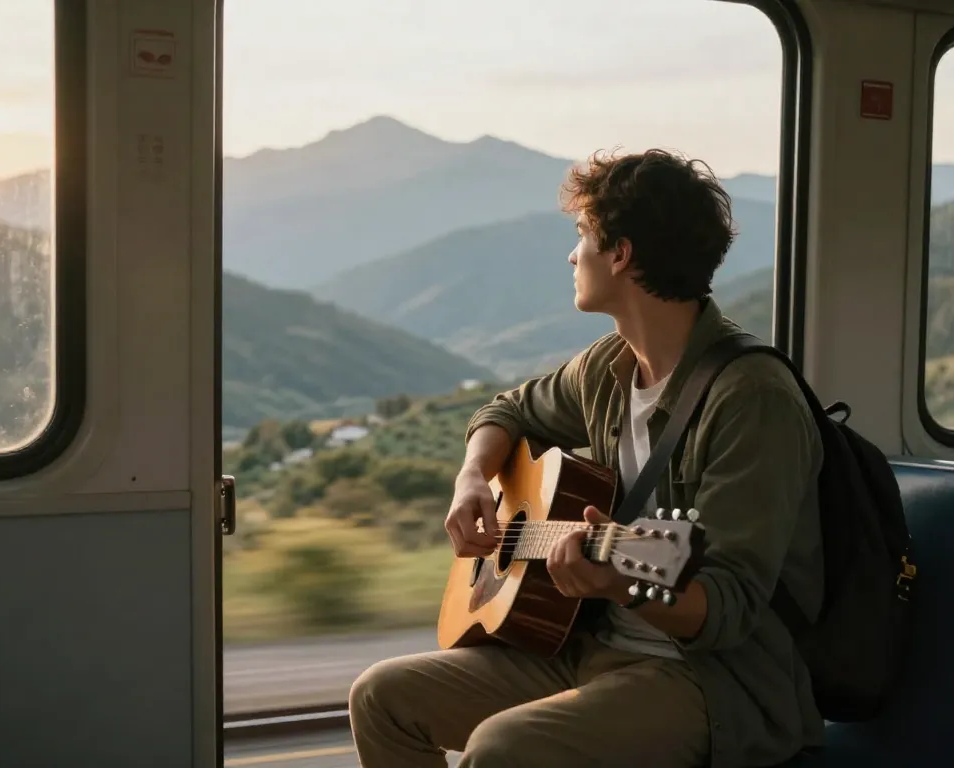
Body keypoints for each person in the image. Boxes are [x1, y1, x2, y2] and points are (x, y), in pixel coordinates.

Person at [347, 148, 826, 768]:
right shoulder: (608, 368)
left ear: (620, 254)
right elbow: (506, 410)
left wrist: (623, 581)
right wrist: (472, 479)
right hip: (590, 646)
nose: (573, 256)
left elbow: (725, 609)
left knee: (501, 749)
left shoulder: (752, 399)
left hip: (712, 682)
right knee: (381, 697)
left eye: (582, 236)